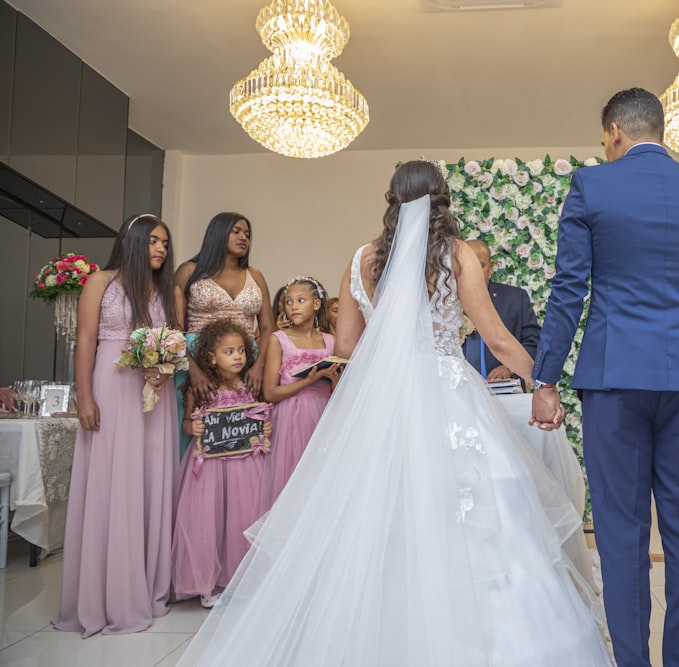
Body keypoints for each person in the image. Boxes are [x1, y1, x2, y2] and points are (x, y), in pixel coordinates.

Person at [178, 161, 611, 666]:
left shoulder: (362, 259)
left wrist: (381, 381)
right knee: (479, 513)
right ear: (442, 200)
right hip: (449, 394)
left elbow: (344, 345)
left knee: (376, 514)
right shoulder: (456, 255)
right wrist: (544, 382)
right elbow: (494, 337)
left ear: (393, 201)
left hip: (381, 401)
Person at [531, 88, 679, 667]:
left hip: (614, 377)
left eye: (604, 139)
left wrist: (546, 377)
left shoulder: (592, 186)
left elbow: (569, 290)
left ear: (616, 132)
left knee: (622, 533)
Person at [52, 214, 180, 636]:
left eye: (165, 243)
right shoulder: (101, 281)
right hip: (111, 387)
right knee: (112, 482)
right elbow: (86, 339)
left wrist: (165, 369)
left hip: (153, 395)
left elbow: (173, 344)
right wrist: (84, 395)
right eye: (154, 241)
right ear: (133, 241)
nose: (161, 249)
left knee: (148, 482)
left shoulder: (166, 291)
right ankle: (106, 594)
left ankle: (147, 586)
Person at [172, 319, 272, 609]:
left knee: (242, 520)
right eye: (229, 352)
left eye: (241, 350)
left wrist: (265, 430)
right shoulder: (201, 389)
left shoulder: (251, 385)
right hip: (211, 470)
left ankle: (242, 580)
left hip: (246, 467)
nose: (238, 356)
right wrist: (195, 429)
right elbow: (187, 424)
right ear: (212, 357)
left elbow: (260, 420)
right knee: (209, 521)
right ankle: (207, 583)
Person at [174, 212, 275, 457]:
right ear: (218, 233)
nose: (244, 238)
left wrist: (258, 366)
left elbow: (268, 327)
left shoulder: (256, 275)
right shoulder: (189, 270)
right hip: (196, 357)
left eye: (247, 234)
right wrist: (193, 369)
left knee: (239, 430)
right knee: (195, 427)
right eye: (236, 231)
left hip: (244, 360)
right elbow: (173, 326)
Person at [262, 277, 338, 504]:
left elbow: (339, 390)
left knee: (321, 479)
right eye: (288, 302)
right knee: (291, 480)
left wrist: (334, 381)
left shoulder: (331, 341)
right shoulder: (279, 340)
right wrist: (308, 380)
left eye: (301, 300)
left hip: (324, 416)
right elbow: (270, 393)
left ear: (316, 304)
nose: (293, 306)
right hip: (290, 418)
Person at [462, 238, 540, 384]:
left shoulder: (515, 298)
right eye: (467, 267)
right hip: (460, 393)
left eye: (480, 266)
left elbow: (534, 342)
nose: (473, 272)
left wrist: (508, 368)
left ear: (490, 267)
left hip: (504, 392)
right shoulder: (448, 301)